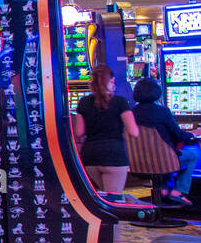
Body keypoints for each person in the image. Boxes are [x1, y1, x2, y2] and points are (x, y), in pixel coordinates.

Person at [74, 64, 139, 195]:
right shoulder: (120, 102)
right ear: (112, 80)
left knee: (103, 197)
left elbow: (79, 132)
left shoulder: (83, 102)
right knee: (113, 199)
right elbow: (134, 132)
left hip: (90, 156)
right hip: (114, 155)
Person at [132, 76, 197, 205]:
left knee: (164, 155)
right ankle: (178, 191)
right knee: (191, 156)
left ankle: (163, 189)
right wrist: (192, 136)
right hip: (162, 161)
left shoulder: (131, 112)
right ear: (157, 92)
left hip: (136, 163)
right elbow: (178, 134)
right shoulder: (162, 111)